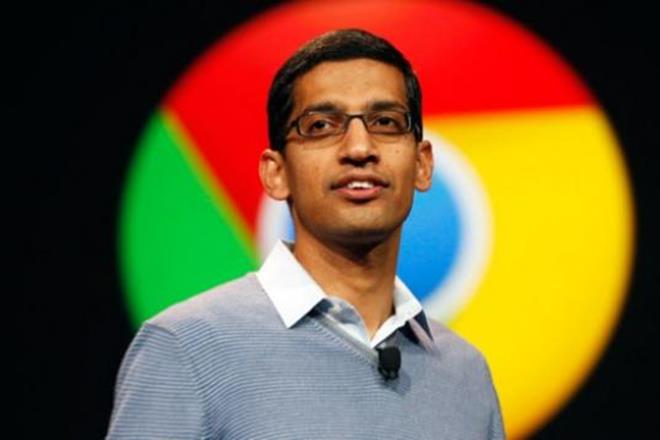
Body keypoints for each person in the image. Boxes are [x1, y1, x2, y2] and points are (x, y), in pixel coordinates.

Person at [107, 29, 505, 439]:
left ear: (422, 165)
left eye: (385, 122)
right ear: (276, 173)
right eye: (320, 126)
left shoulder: (466, 375)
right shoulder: (186, 347)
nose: (359, 148)